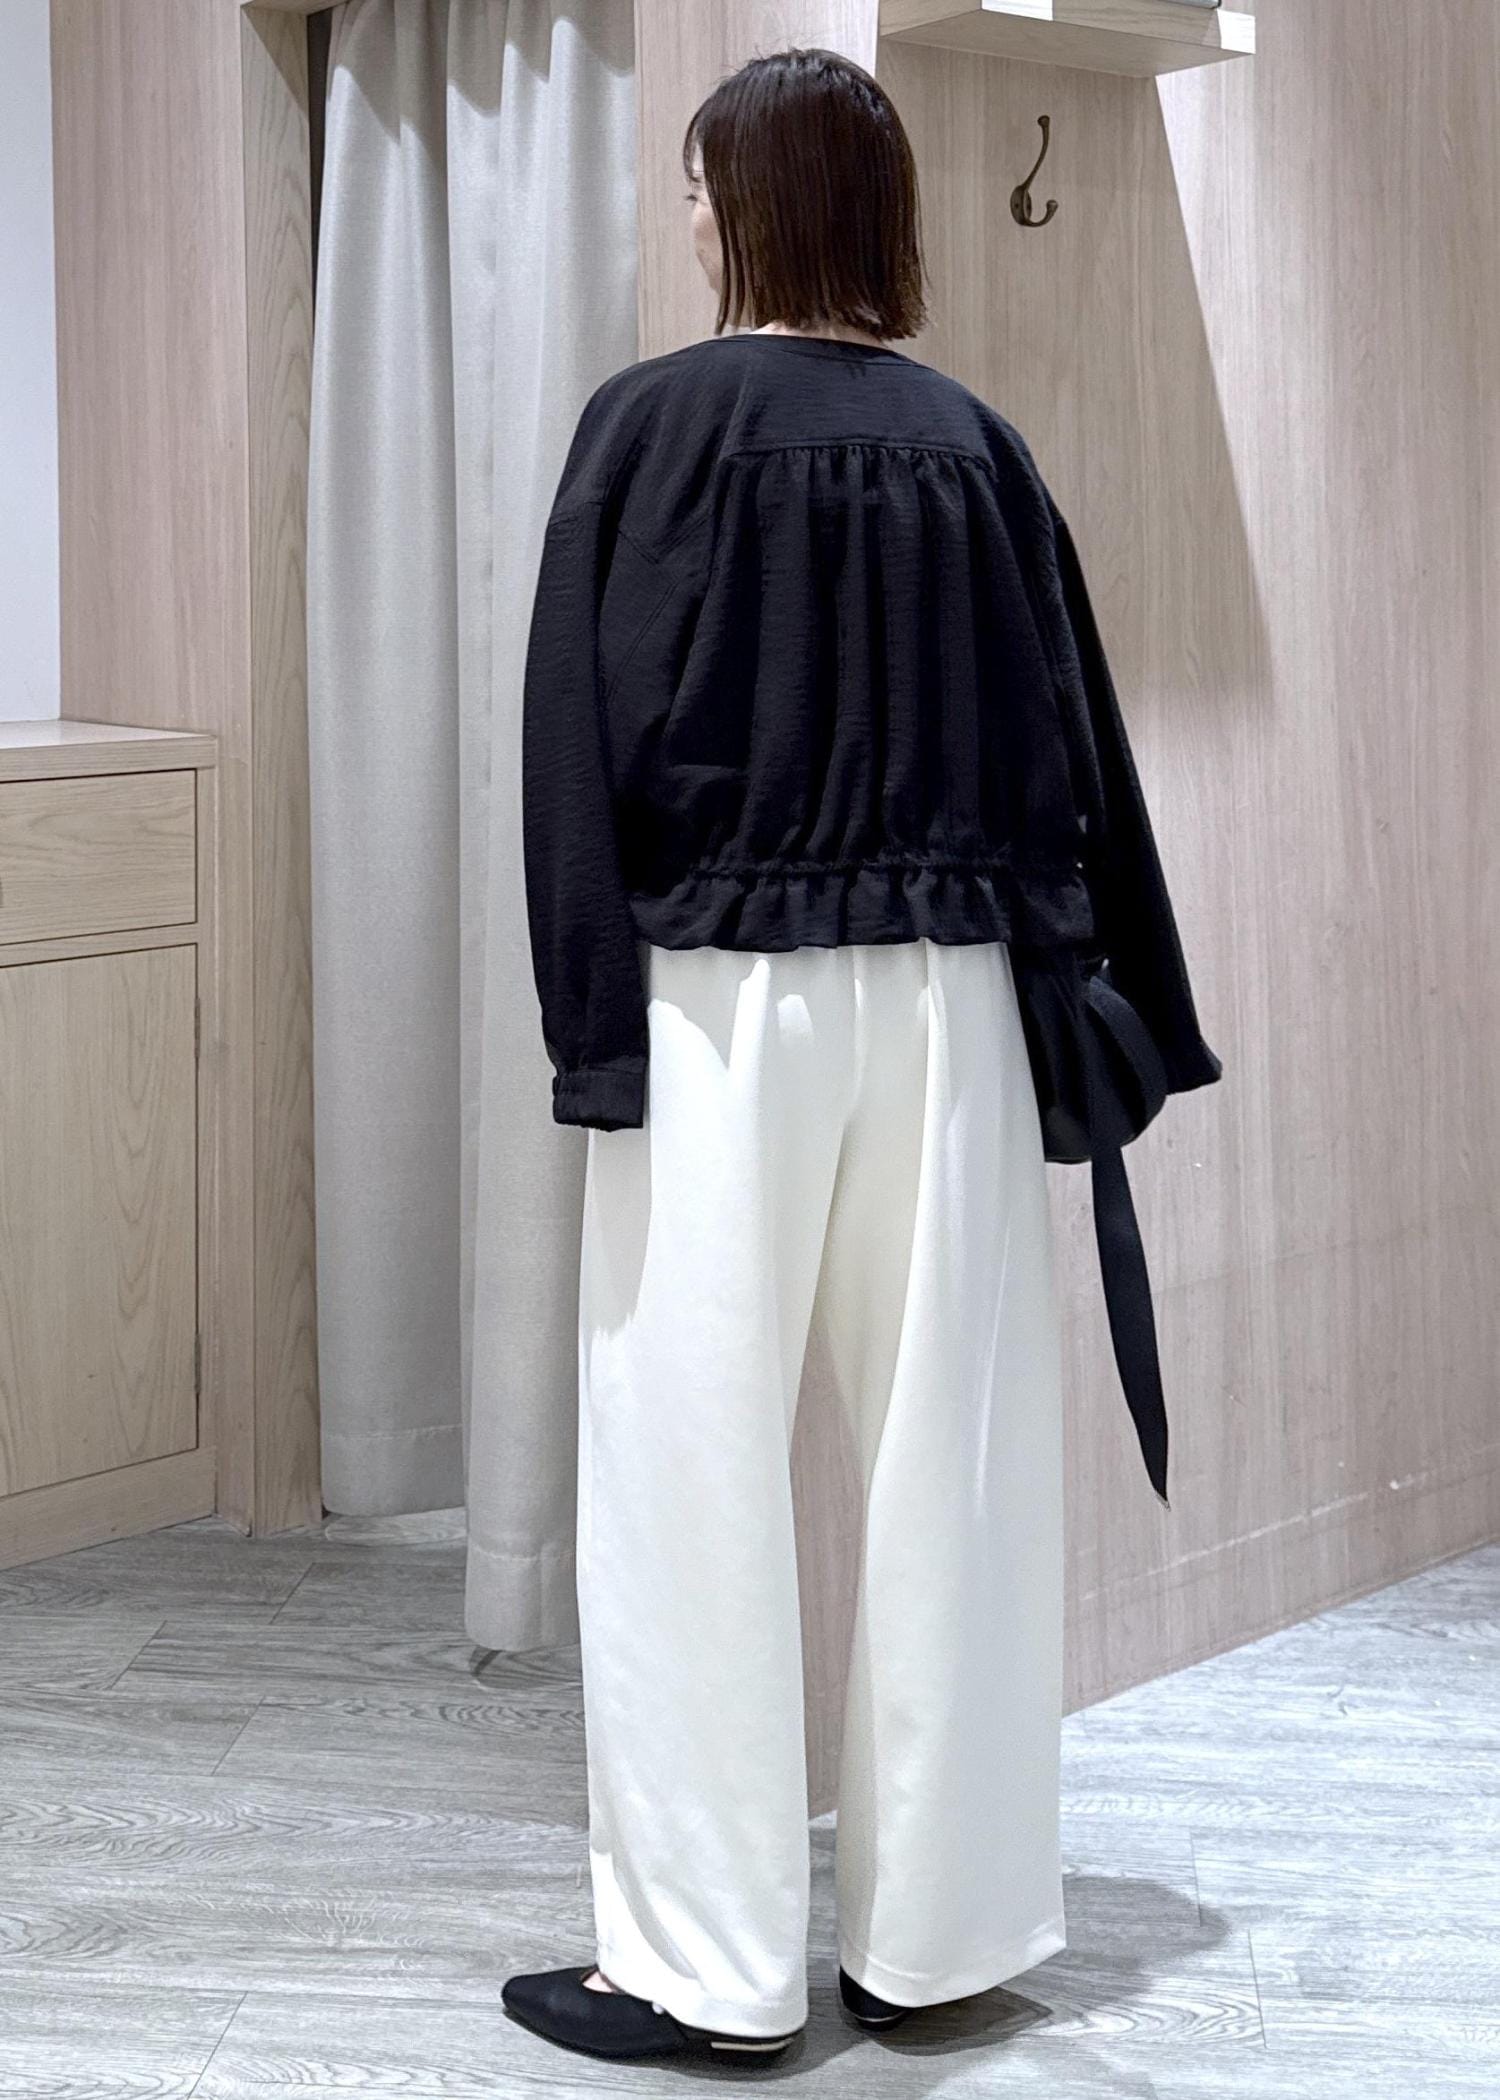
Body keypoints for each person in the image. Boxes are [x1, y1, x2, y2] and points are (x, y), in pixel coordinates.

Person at [501, 45, 1220, 2068]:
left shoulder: (646, 431)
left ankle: (706, 1966)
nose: (687, 219)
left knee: (687, 1466)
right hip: (957, 1004)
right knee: (955, 1460)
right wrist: (1118, 1003)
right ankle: (941, 1940)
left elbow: (570, 756)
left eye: (698, 185)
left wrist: (590, 1033)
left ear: (750, 204)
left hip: (717, 1003)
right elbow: (1081, 758)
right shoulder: (977, 448)